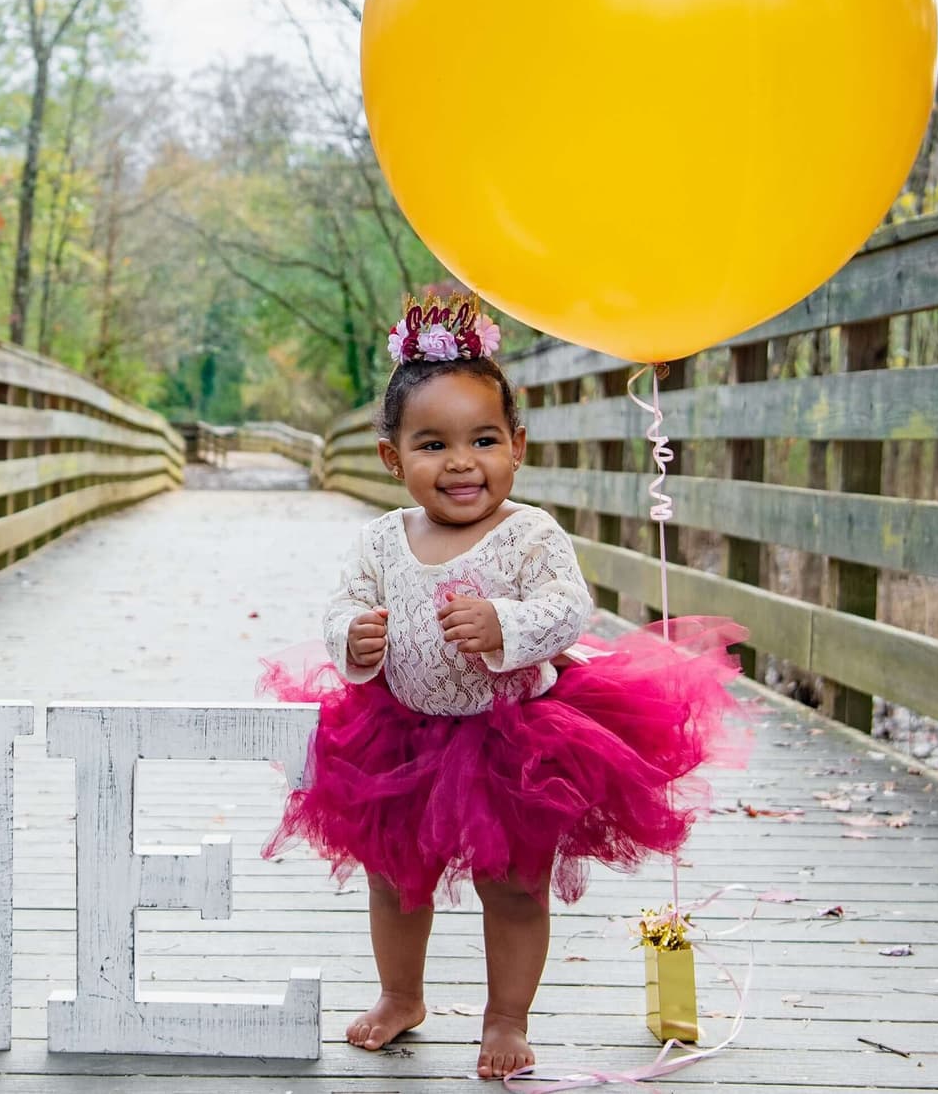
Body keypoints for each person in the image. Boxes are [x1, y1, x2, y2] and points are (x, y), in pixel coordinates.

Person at [262, 296, 744, 1081]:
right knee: (394, 876)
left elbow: (568, 607)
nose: (460, 462)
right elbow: (342, 602)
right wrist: (353, 635)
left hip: (512, 739)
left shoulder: (529, 533)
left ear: (515, 447)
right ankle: (400, 994)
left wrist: (508, 626)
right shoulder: (383, 539)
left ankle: (506, 1015)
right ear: (392, 459)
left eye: (483, 440)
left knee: (516, 885)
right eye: (433, 445)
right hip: (402, 734)